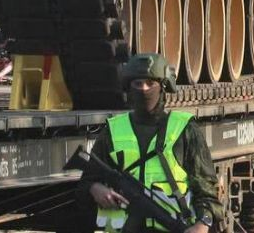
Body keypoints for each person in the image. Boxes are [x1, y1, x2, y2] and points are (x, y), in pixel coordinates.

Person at [77, 53, 223, 232]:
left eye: (150, 83)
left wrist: (203, 224)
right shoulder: (113, 130)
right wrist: (96, 189)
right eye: (137, 84)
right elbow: (86, 182)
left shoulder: (184, 129)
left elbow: (206, 188)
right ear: (128, 88)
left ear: (163, 87)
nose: (144, 89)